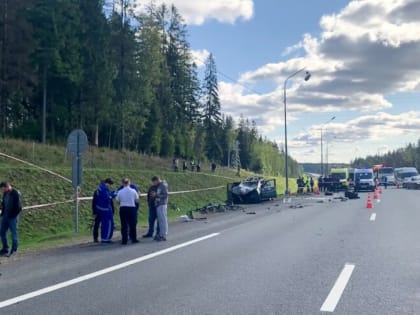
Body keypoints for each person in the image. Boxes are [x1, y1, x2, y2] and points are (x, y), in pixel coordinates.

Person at [0, 182, 22, 257]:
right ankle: (5, 249)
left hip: (13, 217)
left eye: (3, 189)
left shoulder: (15, 193)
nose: (3, 191)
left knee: (13, 234)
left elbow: (18, 207)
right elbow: (3, 204)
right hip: (5, 217)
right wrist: (2, 212)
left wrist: (13, 215)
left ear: (7, 187)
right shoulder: (5, 193)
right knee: (2, 232)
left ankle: (14, 250)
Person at [116, 179, 139, 245]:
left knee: (124, 224)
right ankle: (134, 238)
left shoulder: (120, 191)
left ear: (123, 183)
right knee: (133, 224)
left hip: (123, 208)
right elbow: (137, 200)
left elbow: (117, 200)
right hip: (132, 207)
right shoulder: (133, 191)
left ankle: (124, 240)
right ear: (129, 183)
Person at [95, 178, 115, 243]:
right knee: (108, 224)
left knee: (104, 224)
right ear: (108, 184)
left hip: (101, 208)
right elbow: (107, 198)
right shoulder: (104, 189)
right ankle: (106, 238)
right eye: (110, 185)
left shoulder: (100, 188)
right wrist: (112, 195)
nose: (110, 187)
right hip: (106, 209)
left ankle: (104, 237)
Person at [151, 176, 168, 242]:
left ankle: (163, 235)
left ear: (157, 180)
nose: (153, 183)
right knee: (160, 220)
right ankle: (161, 234)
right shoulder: (160, 186)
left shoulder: (163, 185)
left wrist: (156, 195)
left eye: (154, 182)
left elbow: (165, 195)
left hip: (162, 204)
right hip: (158, 204)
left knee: (162, 220)